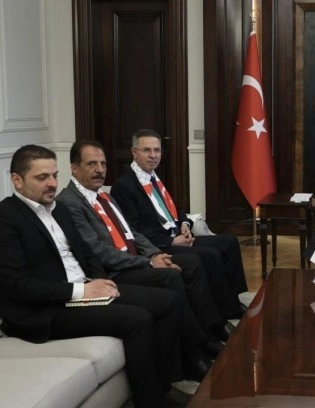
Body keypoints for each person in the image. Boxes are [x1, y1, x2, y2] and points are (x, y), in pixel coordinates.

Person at [0, 145, 184, 407]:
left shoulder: (59, 209)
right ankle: (150, 401)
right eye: (42, 177)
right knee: (138, 319)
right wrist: (82, 292)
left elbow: (87, 254)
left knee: (168, 301)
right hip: (46, 309)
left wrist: (99, 280)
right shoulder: (6, 218)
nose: (52, 183)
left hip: (84, 290)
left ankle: (164, 385)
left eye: (54, 175)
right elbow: (17, 286)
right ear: (17, 180)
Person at [57, 140, 235, 381]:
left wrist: (154, 254)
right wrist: (148, 263)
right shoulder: (69, 202)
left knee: (191, 264)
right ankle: (193, 352)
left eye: (103, 164)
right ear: (74, 168)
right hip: (114, 270)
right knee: (170, 277)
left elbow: (131, 232)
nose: (99, 170)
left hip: (135, 257)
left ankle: (209, 329)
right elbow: (98, 251)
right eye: (91, 164)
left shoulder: (103, 195)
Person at [111, 128, 247, 319]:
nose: (153, 155)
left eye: (157, 150)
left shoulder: (154, 177)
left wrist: (185, 224)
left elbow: (175, 208)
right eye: (147, 150)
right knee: (211, 255)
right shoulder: (124, 186)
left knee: (230, 242)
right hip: (159, 244)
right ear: (134, 152)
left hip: (178, 235)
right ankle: (221, 311)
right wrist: (172, 241)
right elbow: (134, 229)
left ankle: (231, 300)